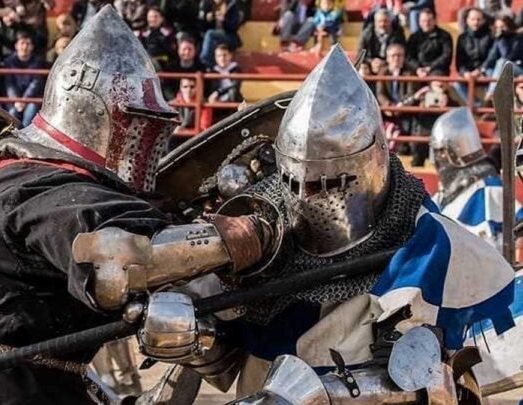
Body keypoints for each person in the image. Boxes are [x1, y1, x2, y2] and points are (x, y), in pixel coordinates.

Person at [0, 6, 275, 403]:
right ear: (94, 113)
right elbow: (122, 258)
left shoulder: (32, 174)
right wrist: (251, 234)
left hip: (24, 376)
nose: (145, 144)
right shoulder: (46, 188)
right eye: (138, 125)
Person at [137, 45, 516, 402]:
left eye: (329, 184)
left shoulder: (428, 242)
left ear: (371, 163)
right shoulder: (263, 223)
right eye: (296, 183)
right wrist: (188, 331)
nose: (309, 199)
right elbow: (218, 339)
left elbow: (431, 381)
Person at [430, 107, 523, 251]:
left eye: (441, 152)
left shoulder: (490, 191)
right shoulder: (442, 196)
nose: (436, 160)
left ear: (454, 152)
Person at [3, 30, 46, 126]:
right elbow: (9, 84)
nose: (25, 46)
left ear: (32, 47)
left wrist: (25, 100)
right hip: (13, 100)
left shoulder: (38, 62)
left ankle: (25, 134)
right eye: (22, 43)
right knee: (12, 113)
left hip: (31, 99)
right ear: (16, 46)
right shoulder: (8, 62)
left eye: (28, 44)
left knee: (32, 109)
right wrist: (16, 100)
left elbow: (35, 83)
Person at [375, 43, 414, 151]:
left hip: (404, 110)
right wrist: (388, 106)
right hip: (387, 110)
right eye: (393, 56)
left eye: (399, 55)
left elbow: (411, 93)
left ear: (404, 57)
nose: (396, 59)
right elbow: (380, 93)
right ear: (388, 58)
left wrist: (399, 107)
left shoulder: (410, 72)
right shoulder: (383, 72)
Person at [455, 7, 493, 104]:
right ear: (467, 20)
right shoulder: (462, 38)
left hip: (485, 71)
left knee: (493, 76)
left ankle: (491, 102)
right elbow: (459, 61)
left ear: (484, 20)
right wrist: (465, 73)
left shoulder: (490, 36)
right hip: (469, 73)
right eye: (473, 19)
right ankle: (477, 105)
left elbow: (491, 58)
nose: (476, 22)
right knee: (456, 84)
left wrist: (480, 70)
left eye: (479, 19)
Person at [482, 15, 523, 102]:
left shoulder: (518, 38)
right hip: (505, 69)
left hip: (519, 68)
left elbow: (508, 57)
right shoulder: (499, 39)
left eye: (503, 26)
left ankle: (491, 93)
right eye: (498, 27)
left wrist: (501, 39)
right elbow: (491, 57)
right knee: (489, 70)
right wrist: (482, 69)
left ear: (509, 26)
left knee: (502, 62)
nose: (500, 30)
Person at [405, 8, 453, 78]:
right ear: (419, 22)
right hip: (417, 70)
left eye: (429, 21)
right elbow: (409, 57)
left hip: (437, 70)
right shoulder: (413, 37)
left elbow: (446, 56)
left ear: (435, 21)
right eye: (423, 21)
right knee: (407, 78)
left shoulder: (444, 36)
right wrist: (417, 68)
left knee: (437, 81)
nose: (426, 24)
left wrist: (430, 68)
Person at [359, 9, 406, 75]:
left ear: (390, 22)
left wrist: (385, 62)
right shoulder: (367, 33)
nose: (382, 24)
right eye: (379, 21)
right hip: (371, 64)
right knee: (362, 69)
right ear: (375, 22)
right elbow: (360, 54)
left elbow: (401, 52)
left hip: (389, 64)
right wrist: (371, 61)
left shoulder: (398, 33)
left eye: (385, 21)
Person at [198, 0, 243, 68]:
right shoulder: (206, 4)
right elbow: (200, 26)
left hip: (229, 37)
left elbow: (235, 26)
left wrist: (224, 20)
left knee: (210, 34)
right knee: (208, 38)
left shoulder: (232, 5)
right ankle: (212, 68)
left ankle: (205, 61)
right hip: (212, 39)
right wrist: (206, 19)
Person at [207, 43, 243, 121]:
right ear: (215, 57)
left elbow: (235, 85)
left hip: (232, 99)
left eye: (225, 55)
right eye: (219, 56)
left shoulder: (236, 69)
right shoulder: (213, 71)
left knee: (233, 92)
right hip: (217, 101)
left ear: (230, 55)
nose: (222, 58)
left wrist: (218, 92)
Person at [163, 35, 205, 99]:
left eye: (190, 49)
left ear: (195, 51)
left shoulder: (201, 68)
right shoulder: (170, 68)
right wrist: (173, 100)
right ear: (179, 50)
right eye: (184, 49)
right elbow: (166, 87)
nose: (187, 52)